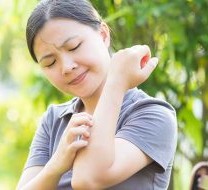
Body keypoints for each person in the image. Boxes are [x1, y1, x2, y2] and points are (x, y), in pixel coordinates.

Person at [16, 0, 178, 189]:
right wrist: (55, 166)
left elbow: (87, 180)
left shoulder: (153, 115)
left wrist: (117, 82)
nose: (67, 67)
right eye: (50, 63)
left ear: (103, 34)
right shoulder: (54, 120)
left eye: (74, 46)